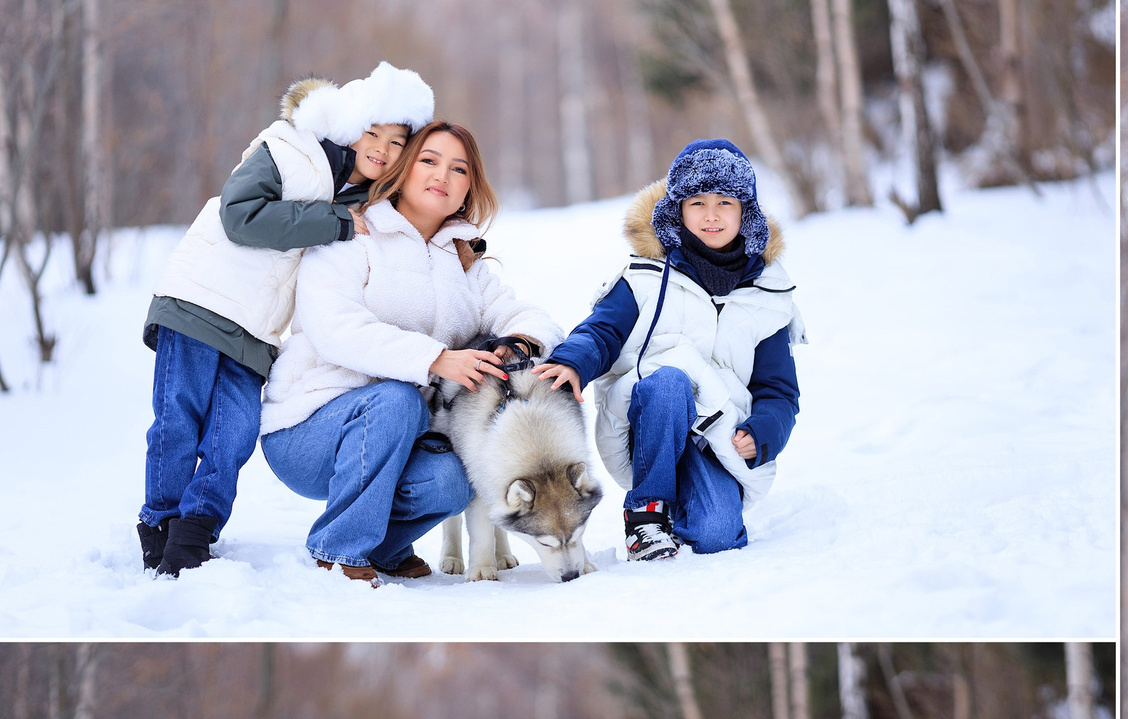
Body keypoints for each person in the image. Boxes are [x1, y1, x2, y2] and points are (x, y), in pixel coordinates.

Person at [138, 63, 432, 577]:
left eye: (397, 141)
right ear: (350, 124)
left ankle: (197, 528)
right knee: (179, 419)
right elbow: (240, 215)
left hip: (257, 332)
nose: (382, 149)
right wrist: (335, 223)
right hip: (198, 304)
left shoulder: (365, 201)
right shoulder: (291, 149)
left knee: (233, 434)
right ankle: (161, 525)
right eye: (373, 133)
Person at [257, 120, 559, 584]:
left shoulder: (463, 263)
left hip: (399, 437)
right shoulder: (353, 233)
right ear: (403, 168)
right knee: (397, 399)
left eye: (459, 169)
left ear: (468, 189)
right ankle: (338, 550)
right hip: (309, 429)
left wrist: (520, 342)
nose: (443, 175)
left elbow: (528, 317)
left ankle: (381, 548)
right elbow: (335, 328)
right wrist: (436, 358)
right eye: (429, 161)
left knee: (454, 480)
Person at [533, 139, 804, 562]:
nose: (711, 215)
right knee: (671, 379)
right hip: (647, 418)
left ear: (745, 212)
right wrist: (573, 361)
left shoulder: (768, 296)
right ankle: (647, 513)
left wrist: (764, 431)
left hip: (716, 433)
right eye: (697, 202)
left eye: (725, 202)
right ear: (676, 209)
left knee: (717, 536)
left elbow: (778, 390)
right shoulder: (643, 276)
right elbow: (602, 331)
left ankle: (686, 506)